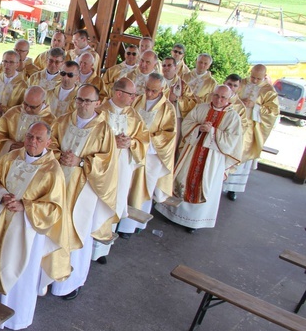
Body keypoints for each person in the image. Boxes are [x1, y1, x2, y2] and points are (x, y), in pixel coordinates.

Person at [0, 122, 68, 330]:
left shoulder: (53, 170)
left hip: (27, 229)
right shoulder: (12, 157)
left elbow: (54, 208)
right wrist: (1, 195)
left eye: (39, 139)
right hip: (0, 218)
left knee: (21, 272)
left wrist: (26, 206)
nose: (33, 141)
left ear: (48, 142)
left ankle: (17, 318)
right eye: (30, 136)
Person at [50, 84, 117, 300]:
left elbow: (107, 162)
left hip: (84, 190)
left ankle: (72, 282)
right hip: (58, 185)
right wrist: (58, 154)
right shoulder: (63, 121)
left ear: (98, 103)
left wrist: (81, 162)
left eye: (88, 101)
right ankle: (49, 276)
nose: (83, 105)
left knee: (77, 231)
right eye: (79, 100)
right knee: (53, 229)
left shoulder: (104, 129)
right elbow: (50, 145)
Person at [156, 85, 243, 232]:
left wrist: (213, 132)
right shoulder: (201, 108)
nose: (219, 100)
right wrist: (198, 128)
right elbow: (187, 123)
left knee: (204, 186)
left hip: (212, 159)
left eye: (223, 97)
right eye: (216, 95)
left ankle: (193, 222)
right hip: (192, 151)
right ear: (212, 94)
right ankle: (172, 214)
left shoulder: (233, 117)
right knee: (182, 180)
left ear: (229, 99)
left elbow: (233, 141)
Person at [91, 78, 148, 263]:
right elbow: (89, 138)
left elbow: (144, 140)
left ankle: (102, 249)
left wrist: (131, 142)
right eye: (131, 94)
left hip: (122, 167)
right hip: (100, 168)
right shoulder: (99, 112)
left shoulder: (133, 115)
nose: (134, 98)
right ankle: (88, 247)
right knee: (97, 203)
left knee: (114, 202)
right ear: (118, 93)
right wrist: (111, 143)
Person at [117, 73, 177, 237]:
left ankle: (132, 226)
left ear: (162, 89)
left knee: (143, 189)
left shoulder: (168, 109)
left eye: (154, 91)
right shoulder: (137, 100)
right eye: (147, 89)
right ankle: (120, 220)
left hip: (151, 156)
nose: (149, 94)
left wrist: (143, 143)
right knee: (126, 186)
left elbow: (168, 135)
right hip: (131, 151)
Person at [223, 64, 279, 200]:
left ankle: (233, 189)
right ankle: (220, 182)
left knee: (242, 155)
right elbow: (229, 95)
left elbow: (273, 112)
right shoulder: (241, 82)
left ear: (264, 76)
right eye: (252, 76)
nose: (254, 81)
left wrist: (255, 107)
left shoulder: (269, 91)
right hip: (233, 123)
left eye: (258, 78)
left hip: (250, 128)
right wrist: (239, 101)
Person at [0, 85, 55, 163]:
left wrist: (28, 146)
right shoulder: (14, 112)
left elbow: (52, 146)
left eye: (32, 107)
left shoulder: (51, 121)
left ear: (43, 102)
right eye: (25, 104)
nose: (27, 109)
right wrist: (9, 145)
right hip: (9, 158)